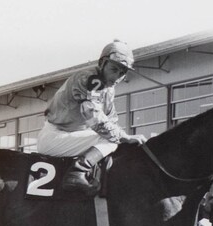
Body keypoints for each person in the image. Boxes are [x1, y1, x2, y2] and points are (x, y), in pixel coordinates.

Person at [33, 40, 144, 195]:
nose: (117, 76)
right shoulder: (91, 79)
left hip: (70, 135)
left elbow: (111, 121)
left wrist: (123, 136)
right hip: (55, 137)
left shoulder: (108, 89)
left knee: (114, 138)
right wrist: (124, 137)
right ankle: (76, 173)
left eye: (122, 72)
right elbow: (93, 117)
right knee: (111, 140)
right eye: (114, 69)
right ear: (102, 63)